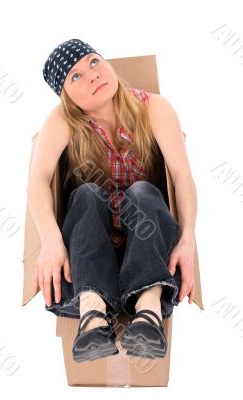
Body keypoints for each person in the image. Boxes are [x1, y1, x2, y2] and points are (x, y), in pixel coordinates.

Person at [28, 39, 196, 362]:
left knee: (143, 193)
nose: (91, 75)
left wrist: (187, 239)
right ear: (67, 98)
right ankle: (92, 317)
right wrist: (50, 238)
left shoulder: (153, 107)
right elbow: (37, 180)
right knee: (86, 194)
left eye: (93, 62)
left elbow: (182, 176)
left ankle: (148, 314)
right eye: (75, 76)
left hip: (147, 248)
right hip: (90, 253)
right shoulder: (63, 121)